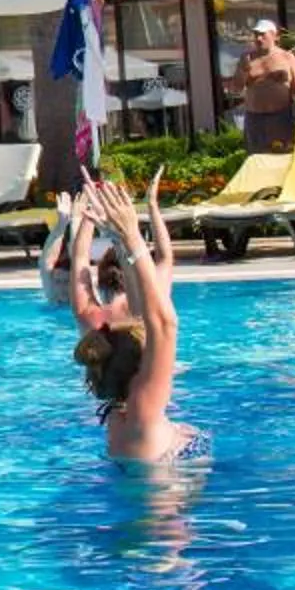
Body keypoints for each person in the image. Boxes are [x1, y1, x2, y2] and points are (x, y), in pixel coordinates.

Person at [74, 178, 189, 464]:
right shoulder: (144, 408)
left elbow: (78, 263)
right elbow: (163, 325)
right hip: (162, 506)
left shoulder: (116, 415)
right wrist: (131, 237)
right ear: (143, 371)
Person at [236, 19, 295, 154]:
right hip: (254, 118)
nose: (258, 38)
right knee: (255, 159)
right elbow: (236, 87)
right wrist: (244, 70)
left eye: (262, 34)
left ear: (274, 36)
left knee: (281, 157)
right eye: (256, 35)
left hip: (281, 117)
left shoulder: (287, 57)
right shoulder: (247, 58)